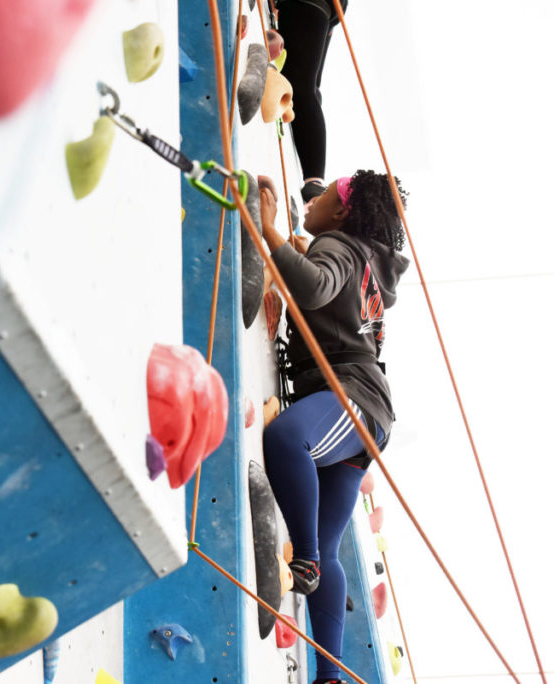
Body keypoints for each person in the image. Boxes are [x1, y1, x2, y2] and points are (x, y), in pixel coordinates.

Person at [258, 170, 409, 684]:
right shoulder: (364, 262)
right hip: (364, 413)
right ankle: (329, 677)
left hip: (350, 399)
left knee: (286, 438)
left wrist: (269, 229)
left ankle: (305, 560)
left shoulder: (338, 245)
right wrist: (301, 250)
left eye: (322, 196)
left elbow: (317, 286)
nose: (314, 200)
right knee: (330, 540)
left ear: (342, 213)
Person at [274, 0, 349, 203]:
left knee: (300, 86)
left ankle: (314, 180)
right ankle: (314, 180)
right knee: (307, 87)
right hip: (326, 9)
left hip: (313, 5)